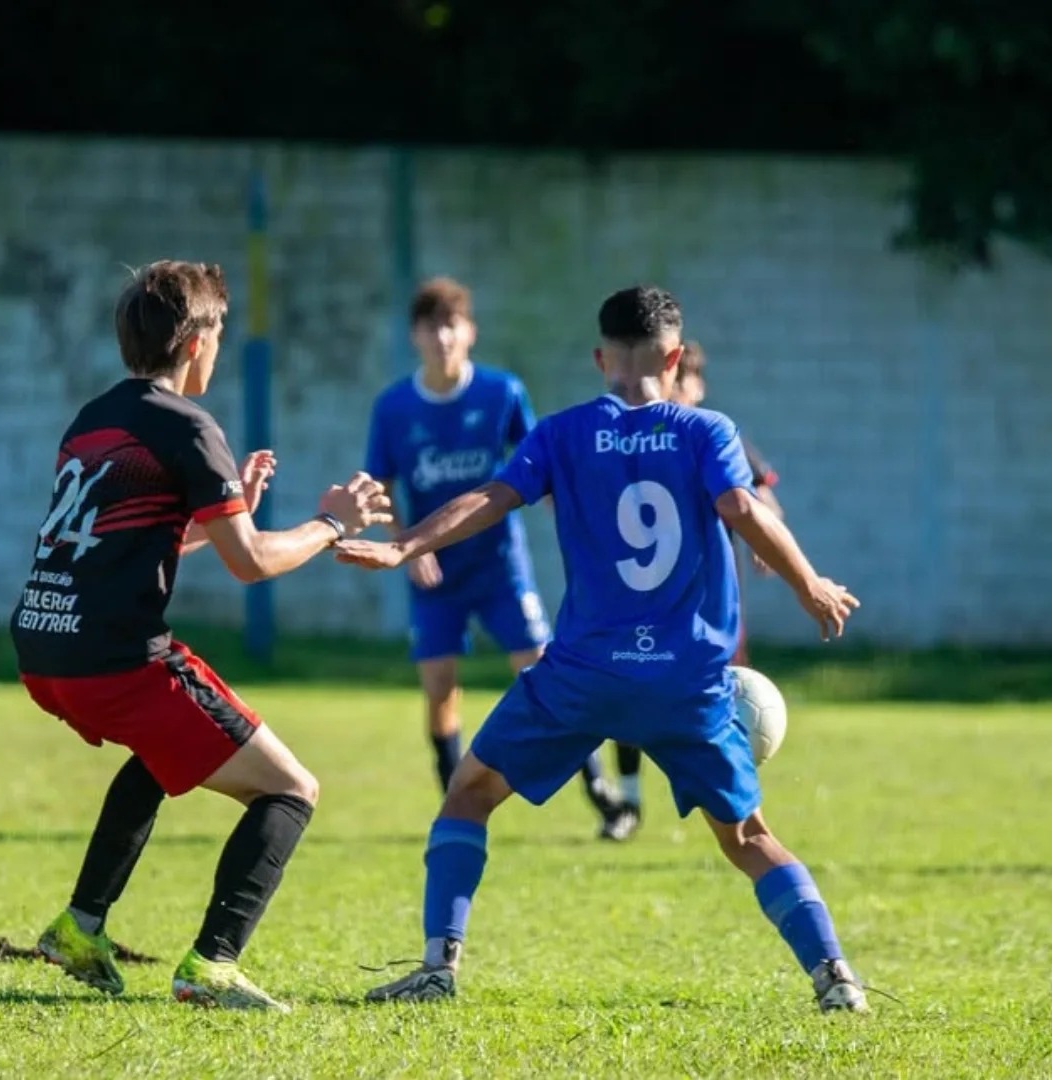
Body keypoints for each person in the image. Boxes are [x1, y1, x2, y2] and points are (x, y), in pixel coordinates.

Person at [336, 285, 868, 1012]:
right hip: (686, 681)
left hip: (583, 675)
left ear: (599, 357)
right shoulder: (707, 430)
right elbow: (741, 508)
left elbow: (492, 497)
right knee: (746, 835)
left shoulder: (561, 432)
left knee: (468, 794)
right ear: (676, 358)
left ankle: (437, 966)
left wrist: (407, 544)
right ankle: (835, 976)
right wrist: (808, 584)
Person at [11, 260, 391, 1011]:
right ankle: (211, 965)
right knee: (291, 791)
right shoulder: (189, 425)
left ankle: (81, 925)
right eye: (218, 331)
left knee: (162, 753)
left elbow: (120, 541)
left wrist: (225, 507)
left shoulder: (94, 420)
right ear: (195, 340)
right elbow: (249, 565)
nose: (218, 348)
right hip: (115, 660)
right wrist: (330, 525)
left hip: (43, 650)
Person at [363, 276, 619, 818]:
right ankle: (450, 798)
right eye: (431, 328)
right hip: (436, 576)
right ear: (414, 336)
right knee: (439, 688)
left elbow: (542, 470)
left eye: (452, 325)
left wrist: (579, 530)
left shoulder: (501, 393)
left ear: (470, 332)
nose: (443, 338)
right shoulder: (394, 408)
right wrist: (408, 546)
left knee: (547, 672)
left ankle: (599, 791)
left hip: (500, 566)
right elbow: (379, 487)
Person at [602, 341, 785, 841]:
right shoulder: (636, 441)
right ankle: (631, 803)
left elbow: (764, 499)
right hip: (644, 603)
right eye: (672, 380)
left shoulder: (716, 437)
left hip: (709, 609)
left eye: (685, 382)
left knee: (724, 706)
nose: (677, 392)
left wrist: (761, 539)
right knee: (628, 694)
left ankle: (732, 808)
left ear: (698, 387)